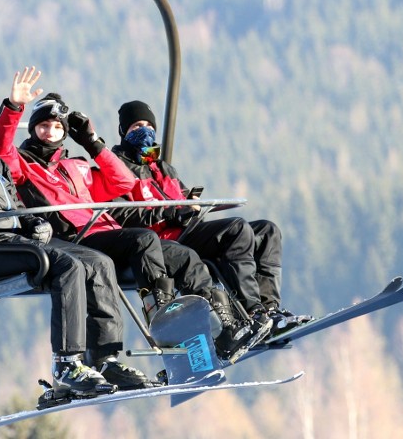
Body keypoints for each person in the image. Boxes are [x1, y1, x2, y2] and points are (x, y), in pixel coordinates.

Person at [0, 67, 270, 362]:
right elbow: (1, 149)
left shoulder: (78, 165)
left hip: (108, 234)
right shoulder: (24, 166)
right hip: (79, 240)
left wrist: (92, 142)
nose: (50, 132)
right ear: (33, 128)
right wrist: (13, 107)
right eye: (44, 126)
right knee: (144, 239)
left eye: (57, 127)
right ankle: (165, 322)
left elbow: (123, 182)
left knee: (187, 258)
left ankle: (223, 331)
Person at [0, 90, 156, 396]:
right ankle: (67, 363)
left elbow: (17, 206)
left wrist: (33, 222)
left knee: (97, 261)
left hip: (14, 241)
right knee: (67, 266)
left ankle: (105, 359)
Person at [110, 100, 312, 336]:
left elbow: (183, 199)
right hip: (164, 241)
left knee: (266, 231)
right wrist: (171, 212)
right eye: (135, 127)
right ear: (124, 132)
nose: (143, 130)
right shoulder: (119, 169)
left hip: (188, 229)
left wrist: (191, 206)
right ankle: (252, 312)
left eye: (148, 125)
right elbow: (122, 216)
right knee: (235, 229)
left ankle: (270, 310)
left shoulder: (162, 167)